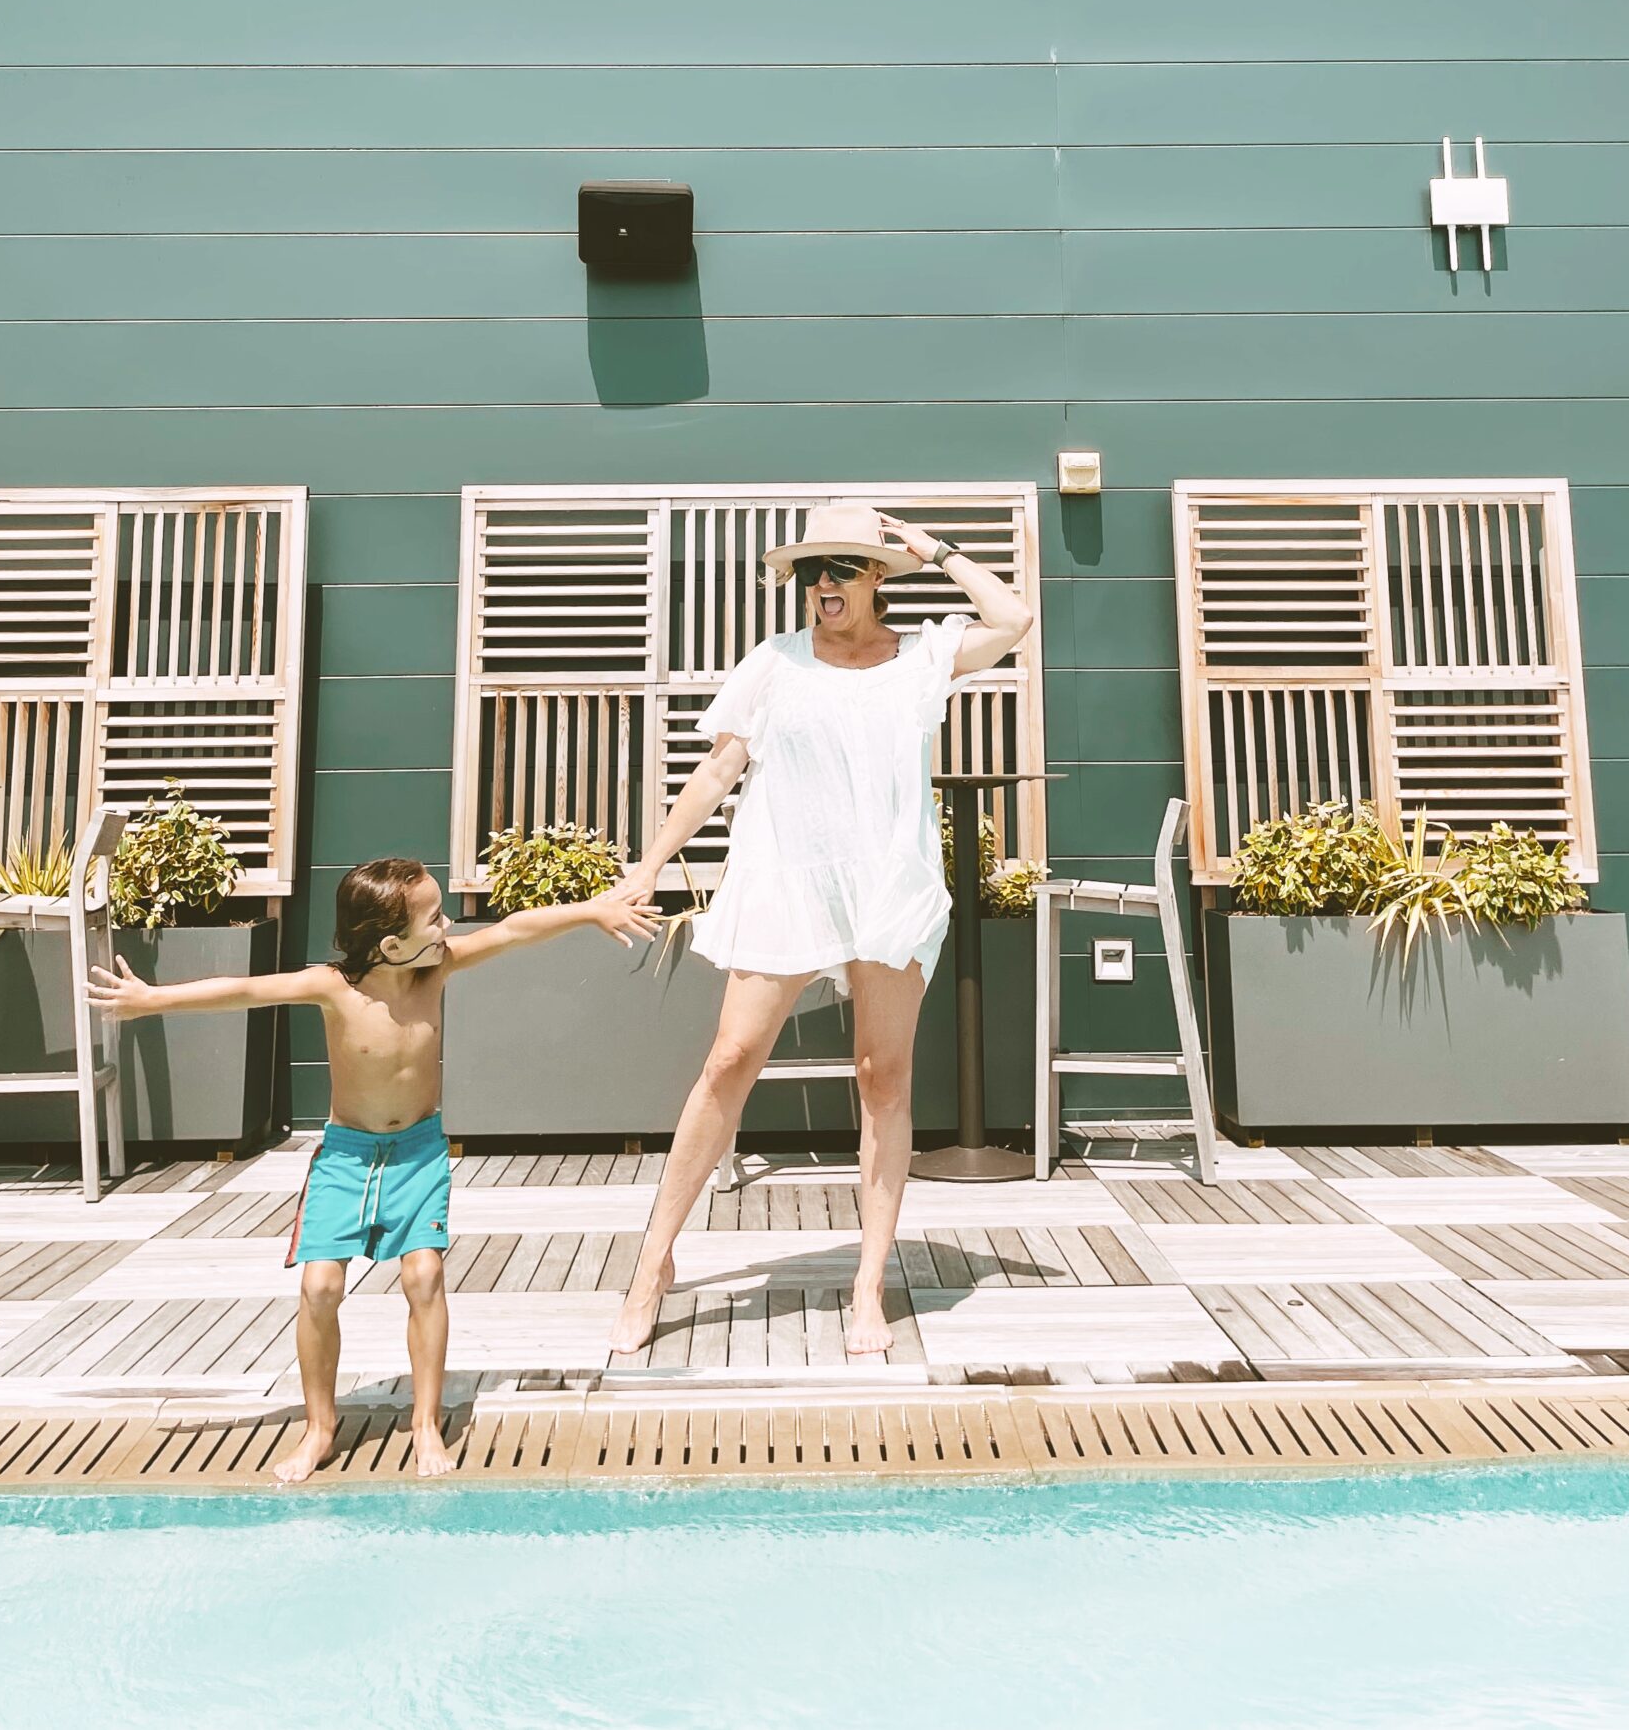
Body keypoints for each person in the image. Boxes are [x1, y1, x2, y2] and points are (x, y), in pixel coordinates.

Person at [606, 504, 1034, 1357]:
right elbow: (720, 765)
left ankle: (868, 1286)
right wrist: (649, 864)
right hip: (787, 882)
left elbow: (1014, 618)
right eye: (812, 571)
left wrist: (934, 547)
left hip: (887, 886)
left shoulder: (922, 657)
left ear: (878, 577)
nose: (824, 583)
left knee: (882, 1077)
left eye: (843, 566)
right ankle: (653, 1263)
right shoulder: (775, 662)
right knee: (729, 1058)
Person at [87, 857, 660, 1482]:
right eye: (435, 917)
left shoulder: (435, 971)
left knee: (424, 1277)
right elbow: (246, 989)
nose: (448, 927)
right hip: (346, 1158)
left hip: (417, 1153)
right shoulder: (334, 987)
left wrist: (591, 910)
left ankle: (423, 1421)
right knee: (319, 1288)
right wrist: (150, 1000)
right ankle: (320, 1427)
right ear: (390, 944)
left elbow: (514, 930)